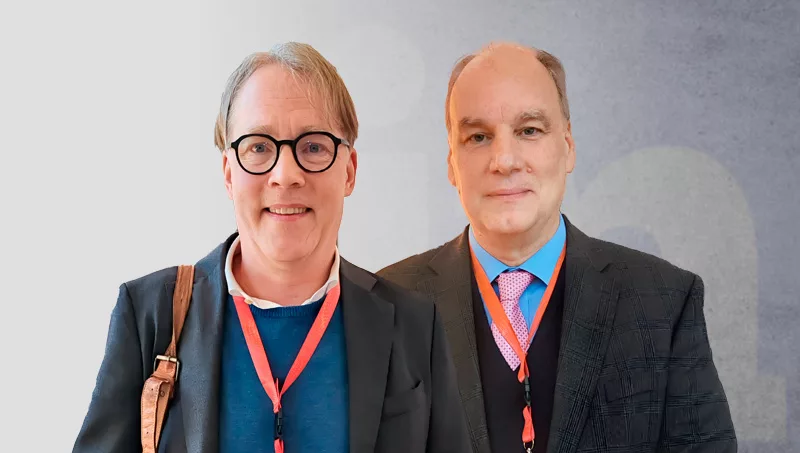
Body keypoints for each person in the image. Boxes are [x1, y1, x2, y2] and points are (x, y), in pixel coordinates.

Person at [73, 42, 469, 453]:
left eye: (313, 146)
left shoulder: (414, 326)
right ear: (229, 174)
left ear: (349, 171)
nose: (285, 174)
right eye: (259, 147)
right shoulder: (149, 315)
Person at [377, 41, 736, 453]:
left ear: (568, 147)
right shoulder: (386, 306)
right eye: (478, 137)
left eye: (529, 131)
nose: (504, 161)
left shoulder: (665, 302)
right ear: (451, 164)